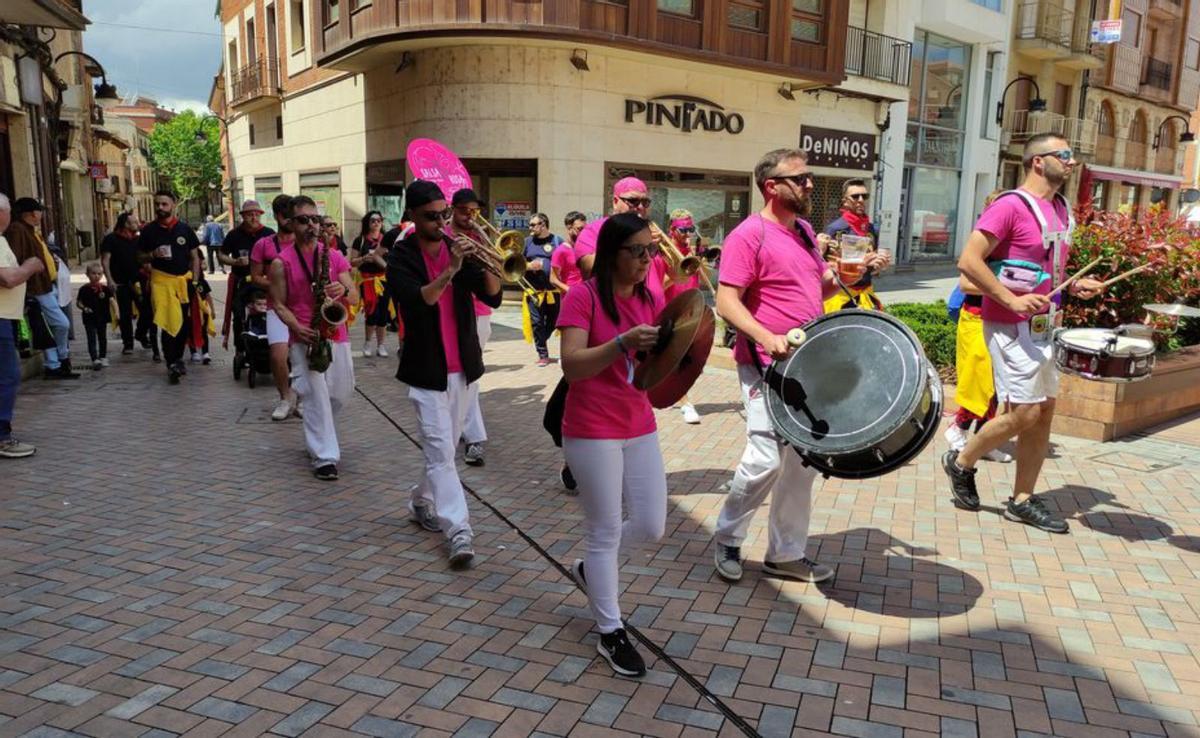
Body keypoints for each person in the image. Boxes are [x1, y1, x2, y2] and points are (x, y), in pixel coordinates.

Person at [712, 148, 887, 584]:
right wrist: (765, 336)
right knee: (765, 459)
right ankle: (728, 537)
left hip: (808, 365)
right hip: (764, 364)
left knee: (801, 465)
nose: (810, 184)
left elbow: (821, 287)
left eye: (809, 177)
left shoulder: (806, 232)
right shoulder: (748, 236)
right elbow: (726, 301)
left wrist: (857, 271)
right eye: (801, 178)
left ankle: (786, 554)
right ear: (771, 187)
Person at [944, 134, 1105, 534]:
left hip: (1048, 324)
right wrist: (1008, 299)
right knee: (1025, 412)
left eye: (1073, 154)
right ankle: (962, 460)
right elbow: (968, 262)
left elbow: (1045, 271)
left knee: (1044, 413)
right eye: (1064, 155)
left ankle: (1022, 499)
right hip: (1008, 325)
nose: (1072, 162)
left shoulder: (1062, 209)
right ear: (1037, 161)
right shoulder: (1010, 207)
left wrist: (1071, 287)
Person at [559, 212, 667, 677]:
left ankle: (591, 570)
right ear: (611, 254)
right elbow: (573, 366)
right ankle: (610, 630)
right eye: (637, 251)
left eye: (650, 250)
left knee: (651, 525)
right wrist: (621, 343)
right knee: (603, 530)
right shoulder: (583, 297)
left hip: (639, 422)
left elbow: (658, 362)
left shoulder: (649, 295)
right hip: (590, 427)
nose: (647, 259)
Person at [387, 180, 503, 567]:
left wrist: (487, 256)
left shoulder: (459, 245)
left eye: (444, 214)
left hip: (464, 367)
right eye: (431, 216)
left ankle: (421, 500)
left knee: (444, 453)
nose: (441, 221)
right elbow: (418, 301)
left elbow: (493, 295)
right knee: (440, 452)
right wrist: (451, 269)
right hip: (426, 370)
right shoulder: (401, 255)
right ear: (413, 217)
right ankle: (459, 531)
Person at [270, 196, 358, 481]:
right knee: (317, 395)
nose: (311, 225)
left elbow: (354, 295)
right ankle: (324, 456)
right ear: (290, 223)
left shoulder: (332, 256)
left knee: (343, 391)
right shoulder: (281, 263)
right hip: (304, 336)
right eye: (304, 220)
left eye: (315, 219)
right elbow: (278, 304)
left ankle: (315, 420)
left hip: (334, 331)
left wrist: (342, 291)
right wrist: (297, 326)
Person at [4, 198, 78, 379]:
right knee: (61, 323)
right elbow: (15, 259)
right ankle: (61, 358)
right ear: (32, 213)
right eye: (39, 211)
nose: (42, 215)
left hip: (45, 286)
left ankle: (55, 364)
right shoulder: (18, 230)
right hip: (35, 288)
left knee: (50, 326)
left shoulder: (31, 231)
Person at [447, 189, 494, 467]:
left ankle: (473, 435)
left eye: (475, 211)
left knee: (472, 372)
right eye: (465, 210)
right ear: (453, 209)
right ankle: (467, 432)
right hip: (451, 309)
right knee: (461, 373)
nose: (471, 216)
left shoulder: (481, 234)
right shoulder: (444, 235)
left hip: (479, 311)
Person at [139, 190, 202, 384]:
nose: (160, 208)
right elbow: (139, 257)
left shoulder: (185, 229)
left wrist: (195, 281)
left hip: (182, 282)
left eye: (164, 204)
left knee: (182, 322)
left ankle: (178, 358)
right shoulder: (149, 231)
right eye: (157, 204)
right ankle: (171, 362)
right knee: (166, 321)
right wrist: (152, 255)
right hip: (160, 282)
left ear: (173, 205)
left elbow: (195, 258)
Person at [0, 193, 46, 458]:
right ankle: (2, 437)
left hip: (7, 316)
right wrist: (31, 265)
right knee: (7, 376)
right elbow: (8, 278)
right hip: (1, 319)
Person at [252, 195, 299, 420]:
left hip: (303, 308)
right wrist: (278, 285)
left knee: (306, 357)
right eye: (288, 216)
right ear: (278, 217)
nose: (292, 221)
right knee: (278, 355)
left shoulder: (306, 243)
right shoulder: (264, 244)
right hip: (276, 306)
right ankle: (284, 397)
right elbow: (255, 277)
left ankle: (303, 398)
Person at [657, 208, 704, 424]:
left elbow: (698, 283)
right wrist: (678, 274)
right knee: (680, 358)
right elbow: (657, 286)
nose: (687, 234)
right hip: (671, 311)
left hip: (691, 309)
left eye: (690, 229)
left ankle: (665, 393)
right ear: (672, 230)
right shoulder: (662, 253)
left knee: (684, 358)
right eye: (683, 230)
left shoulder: (691, 251)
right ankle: (685, 402)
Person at [822, 179, 889, 311]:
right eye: (855, 196)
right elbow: (825, 268)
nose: (860, 200)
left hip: (866, 295)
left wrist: (879, 265)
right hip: (841, 297)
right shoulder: (835, 229)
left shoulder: (872, 229)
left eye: (864, 196)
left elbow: (872, 269)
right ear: (845, 201)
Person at [573, 178, 653, 280]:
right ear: (615, 202)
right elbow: (589, 271)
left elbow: (657, 282)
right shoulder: (592, 230)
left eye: (645, 202)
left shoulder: (650, 232)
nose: (641, 207)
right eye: (633, 201)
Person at [219, 200, 273, 350]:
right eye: (250, 215)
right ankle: (241, 348)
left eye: (257, 214)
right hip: (241, 282)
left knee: (269, 312)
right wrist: (234, 261)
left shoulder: (269, 234)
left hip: (263, 282)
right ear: (243, 216)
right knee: (238, 315)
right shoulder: (234, 234)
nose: (254, 218)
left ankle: (269, 344)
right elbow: (221, 255)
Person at [101, 212, 156, 358]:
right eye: (134, 222)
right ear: (125, 223)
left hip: (139, 280)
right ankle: (128, 343)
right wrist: (109, 279)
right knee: (125, 314)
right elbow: (105, 260)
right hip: (120, 282)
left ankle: (141, 334)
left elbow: (146, 258)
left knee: (147, 310)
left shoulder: (139, 240)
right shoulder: (111, 239)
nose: (138, 224)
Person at [523, 213, 563, 367]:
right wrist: (528, 266)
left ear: (543, 224)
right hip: (534, 292)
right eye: (530, 224)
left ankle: (541, 339)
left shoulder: (557, 241)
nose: (530, 228)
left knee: (554, 321)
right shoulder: (526, 242)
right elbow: (517, 264)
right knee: (537, 323)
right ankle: (543, 354)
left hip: (553, 292)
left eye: (533, 225)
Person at [351, 210, 391, 358]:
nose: (376, 223)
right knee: (371, 313)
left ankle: (381, 345)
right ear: (367, 223)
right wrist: (363, 259)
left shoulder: (387, 240)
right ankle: (367, 342)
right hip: (367, 281)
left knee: (383, 314)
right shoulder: (360, 240)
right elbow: (352, 261)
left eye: (379, 220)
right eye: (373, 220)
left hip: (383, 280)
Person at [75, 262, 115, 370]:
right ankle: (94, 358)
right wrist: (84, 308)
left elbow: (112, 300)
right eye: (93, 273)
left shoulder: (105, 289)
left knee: (103, 337)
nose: (96, 276)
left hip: (102, 317)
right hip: (89, 318)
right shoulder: (84, 289)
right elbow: (79, 302)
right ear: (87, 274)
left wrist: (117, 312)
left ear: (102, 275)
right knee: (91, 338)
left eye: (99, 274)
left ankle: (103, 356)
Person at [550, 211, 586, 295]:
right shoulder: (561, 251)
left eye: (584, 229)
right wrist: (571, 291)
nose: (583, 232)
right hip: (570, 300)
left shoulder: (584, 249)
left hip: (585, 298)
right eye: (579, 229)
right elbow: (553, 279)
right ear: (569, 228)